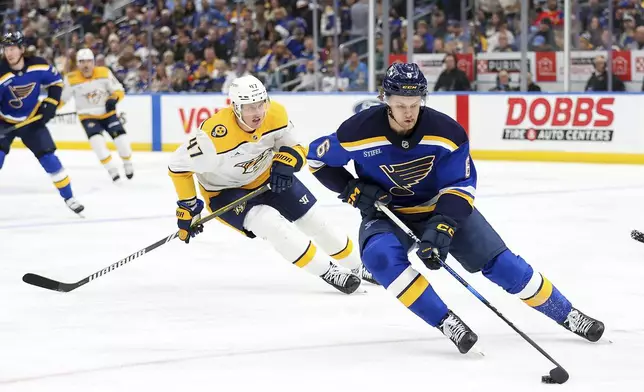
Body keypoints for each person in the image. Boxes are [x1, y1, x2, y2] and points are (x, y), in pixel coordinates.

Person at [306, 63, 605, 354]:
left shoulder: (446, 132)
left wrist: (443, 225)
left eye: (415, 103)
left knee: (503, 266)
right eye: (400, 105)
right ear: (385, 99)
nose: (408, 112)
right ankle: (446, 321)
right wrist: (351, 189)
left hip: (439, 208)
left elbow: (460, 185)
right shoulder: (357, 131)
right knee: (379, 259)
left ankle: (567, 314)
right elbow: (316, 159)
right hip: (389, 214)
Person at [167, 75, 376, 294]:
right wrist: (188, 206)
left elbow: (296, 146)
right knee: (270, 223)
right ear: (235, 107)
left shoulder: (275, 113)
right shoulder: (212, 138)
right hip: (226, 193)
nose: (257, 113)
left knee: (315, 221)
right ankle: (328, 271)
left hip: (267, 177)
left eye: (260, 104)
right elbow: (177, 167)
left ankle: (359, 266)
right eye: (249, 107)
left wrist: (287, 163)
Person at [0, 32, 84, 214]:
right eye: (6, 48)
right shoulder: (1, 72)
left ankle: (69, 197)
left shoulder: (38, 65)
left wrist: (50, 104)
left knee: (49, 158)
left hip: (31, 120)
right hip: (4, 121)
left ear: (22, 49)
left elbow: (56, 82)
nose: (9, 53)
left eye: (13, 48)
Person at [61, 48, 133, 182]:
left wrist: (114, 99)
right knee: (97, 143)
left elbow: (119, 90)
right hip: (88, 117)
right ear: (77, 64)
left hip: (108, 114)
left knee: (121, 140)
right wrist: (50, 109)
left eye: (88, 61)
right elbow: (62, 99)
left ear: (94, 62)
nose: (86, 65)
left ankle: (128, 163)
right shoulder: (71, 79)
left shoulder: (104, 72)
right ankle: (112, 170)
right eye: (82, 62)